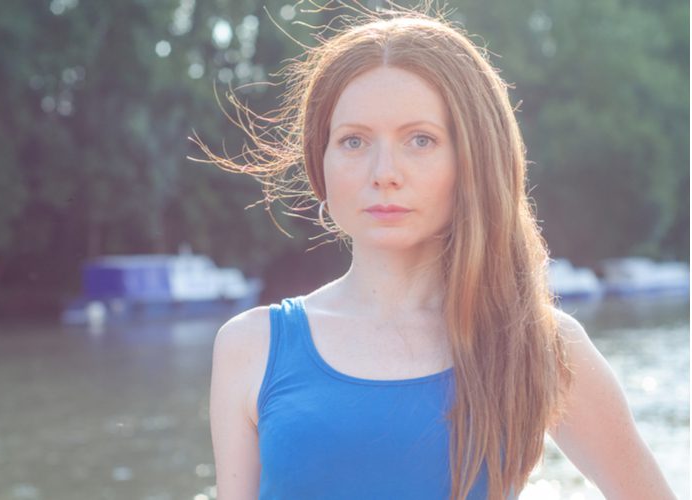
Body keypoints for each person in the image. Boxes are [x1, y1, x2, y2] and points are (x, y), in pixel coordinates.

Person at [198, 3, 677, 499]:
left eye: (420, 140)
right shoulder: (250, 347)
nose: (384, 171)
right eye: (354, 141)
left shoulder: (537, 344)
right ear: (321, 164)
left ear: (473, 160)